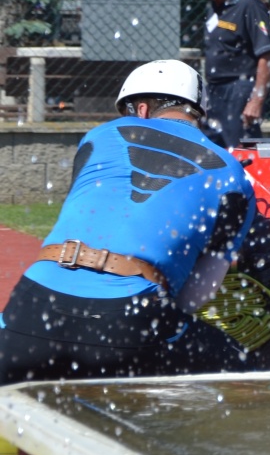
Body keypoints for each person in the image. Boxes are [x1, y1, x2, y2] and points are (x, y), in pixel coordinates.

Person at [0, 60, 254, 384]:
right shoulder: (234, 176)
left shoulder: (96, 137)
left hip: (32, 307)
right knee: (244, 375)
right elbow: (196, 296)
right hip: (127, 322)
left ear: (143, 109)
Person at [198, 0, 270, 147]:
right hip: (214, 92)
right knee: (211, 155)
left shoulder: (249, 4)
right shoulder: (213, 7)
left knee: (241, 156)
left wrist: (256, 100)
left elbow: (267, 55)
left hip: (240, 91)